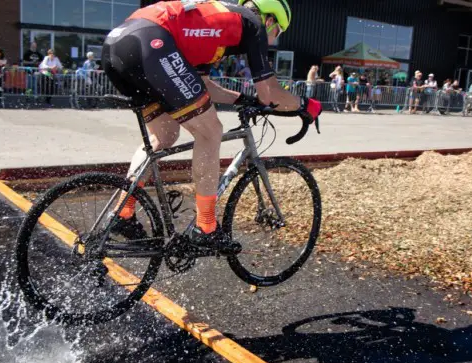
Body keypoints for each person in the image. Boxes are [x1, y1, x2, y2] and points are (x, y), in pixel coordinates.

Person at [102, 0, 320, 252]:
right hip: (151, 41)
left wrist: (243, 99)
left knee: (164, 136)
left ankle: (123, 213)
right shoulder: (253, 22)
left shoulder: (215, 25)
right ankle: (205, 228)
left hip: (118, 44)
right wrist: (305, 105)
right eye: (278, 33)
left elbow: (203, 85)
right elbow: (269, 93)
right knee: (211, 131)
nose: (272, 41)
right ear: (270, 19)